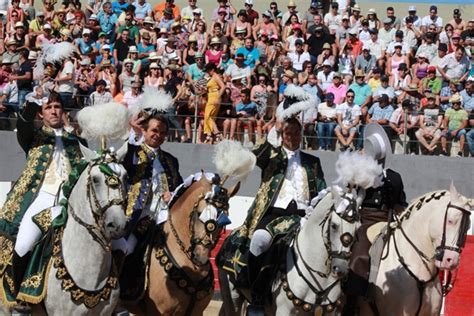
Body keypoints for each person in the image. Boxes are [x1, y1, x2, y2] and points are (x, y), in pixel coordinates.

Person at [217, 116, 326, 315]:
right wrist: (273, 130)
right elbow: (257, 153)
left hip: (304, 216)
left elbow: (320, 189)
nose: (292, 137)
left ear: (301, 134)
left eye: (295, 133)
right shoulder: (272, 156)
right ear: (282, 135)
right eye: (287, 133)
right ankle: (256, 295)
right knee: (259, 240)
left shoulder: (313, 162)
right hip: (274, 215)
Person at [0, 93, 84, 311]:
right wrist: (34, 101)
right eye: (49, 107)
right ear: (42, 113)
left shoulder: (76, 141)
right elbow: (24, 122)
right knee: (23, 244)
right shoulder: (33, 136)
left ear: (63, 112)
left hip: (70, 201)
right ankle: (19, 296)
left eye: (57, 106)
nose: (54, 110)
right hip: (43, 198)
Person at [343, 123, 407, 316]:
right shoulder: (360, 174)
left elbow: (399, 205)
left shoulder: (394, 177)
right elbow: (348, 189)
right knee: (359, 255)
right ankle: (351, 302)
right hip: (363, 219)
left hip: (387, 221)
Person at [203, 62, 225, 144]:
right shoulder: (213, 77)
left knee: (208, 116)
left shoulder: (216, 76)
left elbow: (223, 86)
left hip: (214, 96)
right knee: (209, 117)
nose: (207, 72)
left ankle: (217, 134)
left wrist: (218, 97)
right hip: (211, 95)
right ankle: (210, 135)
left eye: (208, 71)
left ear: (212, 70)